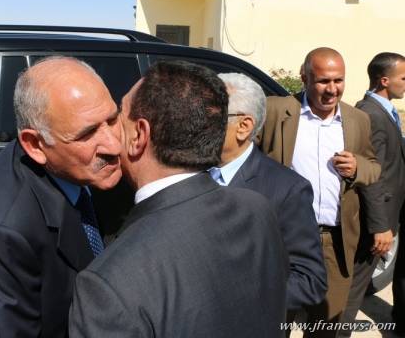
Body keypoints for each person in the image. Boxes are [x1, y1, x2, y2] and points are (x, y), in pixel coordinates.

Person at [68, 61, 288, 337]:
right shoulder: (256, 208)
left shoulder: (107, 284)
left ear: (139, 136)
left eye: (118, 117)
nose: (110, 132)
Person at [0, 56, 123, 337]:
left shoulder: (78, 171)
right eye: (88, 133)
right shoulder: (3, 234)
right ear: (35, 145)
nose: (114, 144)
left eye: (113, 119)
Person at [260, 47, 380, 337]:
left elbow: (374, 167)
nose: (332, 89)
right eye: (323, 81)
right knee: (273, 321)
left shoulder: (357, 119)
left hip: (333, 242)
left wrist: (357, 167)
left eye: (338, 80)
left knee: (326, 325)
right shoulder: (275, 111)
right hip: (282, 238)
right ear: (305, 78)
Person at [214, 72, 327, 316]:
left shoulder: (287, 190)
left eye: (209, 114)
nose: (195, 121)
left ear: (243, 126)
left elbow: (309, 281)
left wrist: (236, 297)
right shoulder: (184, 172)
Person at [338, 52, 405, 337]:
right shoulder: (371, 114)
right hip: (375, 218)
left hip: (389, 211)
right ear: (385, 80)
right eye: (403, 78)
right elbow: (372, 175)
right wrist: (380, 225)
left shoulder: (383, 110)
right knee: (354, 287)